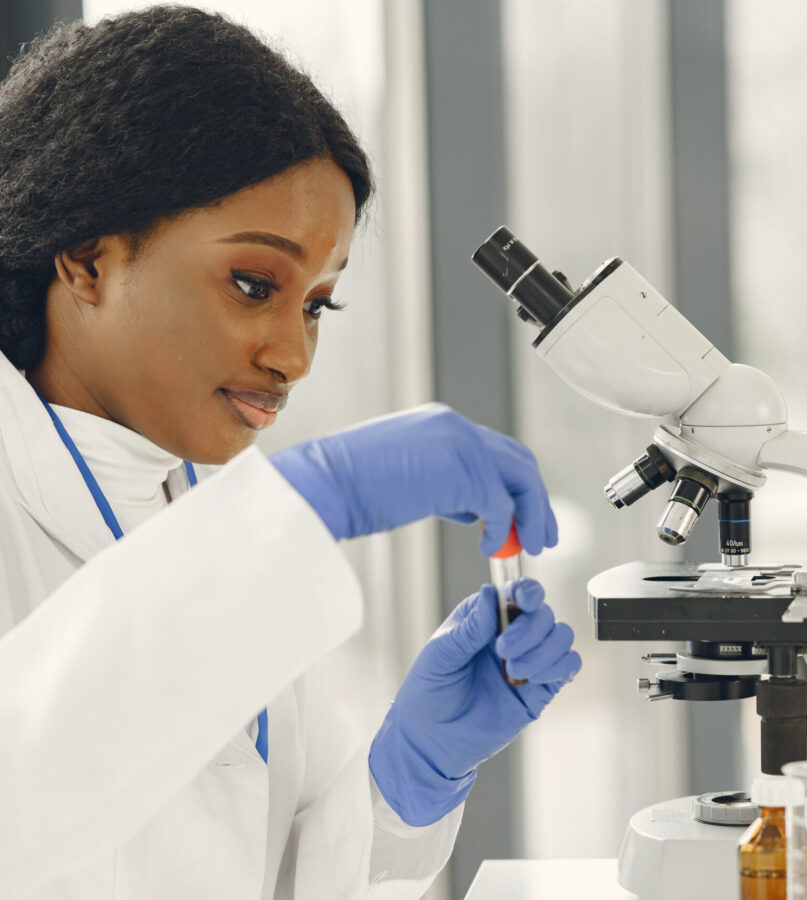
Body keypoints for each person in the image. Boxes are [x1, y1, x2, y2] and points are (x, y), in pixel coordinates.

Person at [0, 7, 581, 899]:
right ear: (86, 259)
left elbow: (271, 876)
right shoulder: (243, 544)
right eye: (252, 284)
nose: (294, 355)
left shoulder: (200, 512)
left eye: (316, 303)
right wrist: (313, 501)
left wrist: (408, 779)